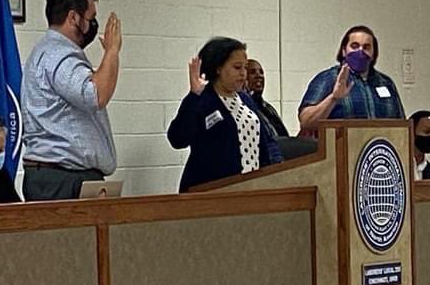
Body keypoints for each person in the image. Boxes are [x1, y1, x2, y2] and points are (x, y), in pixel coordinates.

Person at [21, 0, 121, 200]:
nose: (94, 24)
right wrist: (112, 51)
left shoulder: (47, 51)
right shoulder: (60, 54)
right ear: (74, 18)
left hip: (58, 174)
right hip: (63, 177)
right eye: (91, 17)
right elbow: (95, 95)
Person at [168, 37, 282, 192]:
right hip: (210, 192)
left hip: (251, 189)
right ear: (218, 68)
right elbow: (178, 139)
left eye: (245, 67)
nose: (243, 74)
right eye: (237, 67)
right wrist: (193, 96)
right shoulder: (202, 100)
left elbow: (267, 141)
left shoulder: (246, 99)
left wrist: (277, 171)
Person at [298, 25, 404, 131]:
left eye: (366, 47)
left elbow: (402, 125)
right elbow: (306, 122)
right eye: (354, 46)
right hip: (339, 146)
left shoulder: (386, 83)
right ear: (344, 50)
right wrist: (333, 98)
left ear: (373, 53)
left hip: (379, 146)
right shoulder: (328, 78)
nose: (360, 51)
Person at [245, 58, 289, 138]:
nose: (259, 75)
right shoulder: (245, 108)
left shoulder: (268, 108)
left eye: (261, 72)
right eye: (252, 72)